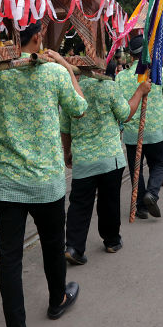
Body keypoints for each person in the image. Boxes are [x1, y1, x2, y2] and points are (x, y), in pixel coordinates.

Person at [0, 21, 87, 327]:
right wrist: (66, 66)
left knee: (9, 258)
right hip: (46, 183)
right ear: (38, 37)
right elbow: (79, 108)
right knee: (53, 247)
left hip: (7, 183)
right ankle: (57, 299)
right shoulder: (54, 74)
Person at [62, 59, 150, 265]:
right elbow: (125, 114)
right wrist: (139, 92)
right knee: (108, 202)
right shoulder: (109, 87)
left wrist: (68, 152)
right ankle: (111, 240)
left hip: (83, 159)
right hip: (110, 158)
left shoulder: (71, 90)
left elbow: (65, 128)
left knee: (79, 204)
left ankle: (74, 247)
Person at [117, 35, 163, 219]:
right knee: (158, 164)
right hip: (155, 130)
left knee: (136, 169)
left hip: (132, 131)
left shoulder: (121, 76)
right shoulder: (158, 71)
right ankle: (152, 194)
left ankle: (141, 206)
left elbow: (119, 104)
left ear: (131, 55)